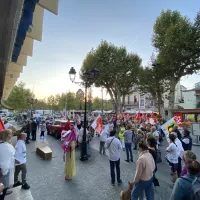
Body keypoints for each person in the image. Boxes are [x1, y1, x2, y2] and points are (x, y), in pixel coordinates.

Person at [0, 129, 15, 199]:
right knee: (3, 186)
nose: (12, 135)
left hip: (3, 169)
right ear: (8, 136)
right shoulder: (6, 147)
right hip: (4, 170)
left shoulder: (3, 145)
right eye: (11, 134)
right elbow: (5, 162)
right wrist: (4, 171)